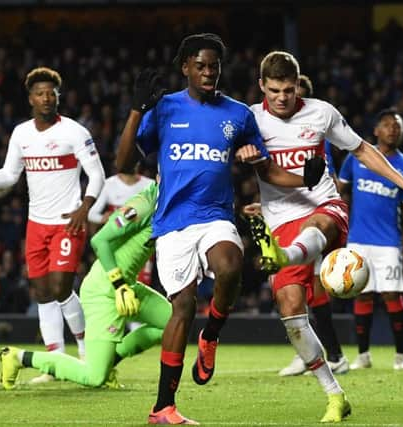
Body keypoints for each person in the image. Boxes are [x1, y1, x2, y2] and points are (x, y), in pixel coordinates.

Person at [116, 34, 324, 425]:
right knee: (181, 308)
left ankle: (210, 334)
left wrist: (304, 180)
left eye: (215, 65)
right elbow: (124, 163)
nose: (209, 72)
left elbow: (265, 168)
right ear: (186, 68)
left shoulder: (238, 114)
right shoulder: (163, 109)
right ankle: (163, 408)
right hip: (173, 223)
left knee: (231, 266)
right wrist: (134, 110)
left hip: (215, 216)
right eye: (201, 65)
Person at [238, 52, 403, 422]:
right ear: (262, 85)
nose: (282, 97)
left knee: (319, 227)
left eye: (290, 90)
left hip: (325, 208)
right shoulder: (250, 119)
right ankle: (335, 394)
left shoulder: (321, 112)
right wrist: (247, 159)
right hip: (280, 221)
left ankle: (286, 256)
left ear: (299, 85)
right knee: (292, 312)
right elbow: (266, 173)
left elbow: (362, 149)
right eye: (275, 90)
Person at [0, 67, 106, 382]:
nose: (46, 97)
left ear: (58, 96)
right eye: (40, 93)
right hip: (36, 225)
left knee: (61, 287)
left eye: (51, 92)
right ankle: (55, 364)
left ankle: (87, 353)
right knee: (43, 293)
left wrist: (85, 207)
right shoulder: (21, 133)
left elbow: (97, 174)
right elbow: (10, 174)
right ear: (30, 99)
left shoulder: (75, 132)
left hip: (68, 222)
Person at [0, 183, 172, 390]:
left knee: (175, 323)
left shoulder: (169, 204)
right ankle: (18, 357)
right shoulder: (145, 205)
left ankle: (110, 362)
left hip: (127, 287)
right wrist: (118, 284)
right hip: (105, 291)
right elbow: (99, 240)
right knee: (94, 377)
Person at [261, 74, 349, 377]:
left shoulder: (316, 135)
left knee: (311, 288)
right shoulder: (274, 129)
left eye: (293, 93)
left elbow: (328, 179)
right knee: (299, 288)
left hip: (314, 218)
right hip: (289, 217)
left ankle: (331, 354)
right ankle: (324, 353)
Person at [338, 109, 403, 370]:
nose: (392, 129)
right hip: (358, 239)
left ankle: (401, 355)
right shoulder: (355, 159)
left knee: (391, 295)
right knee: (361, 296)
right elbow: (341, 192)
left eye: (397, 126)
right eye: (387, 125)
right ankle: (363, 355)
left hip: (388, 242)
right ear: (376, 131)